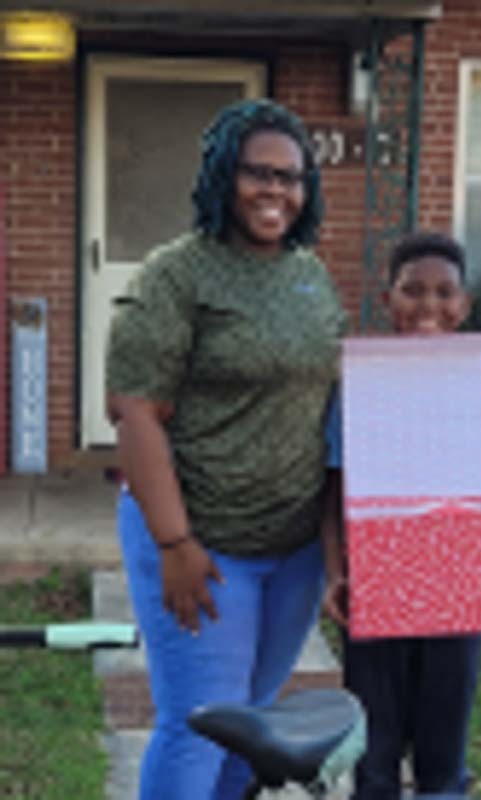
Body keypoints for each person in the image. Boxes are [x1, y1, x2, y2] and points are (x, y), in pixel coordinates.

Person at [105, 98, 346, 800]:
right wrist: (175, 543)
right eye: (257, 173)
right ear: (221, 176)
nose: (276, 190)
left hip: (293, 548)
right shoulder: (177, 274)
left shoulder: (311, 275)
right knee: (202, 723)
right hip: (203, 546)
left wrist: (448, 374)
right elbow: (135, 411)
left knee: (256, 724)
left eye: (292, 177)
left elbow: (339, 390)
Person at [322, 231, 481, 799]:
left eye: (444, 293)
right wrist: (337, 571)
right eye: (412, 291)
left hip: (457, 590)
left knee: (444, 763)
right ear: (387, 300)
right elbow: (334, 496)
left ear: (465, 305)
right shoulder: (357, 389)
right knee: (375, 757)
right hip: (378, 582)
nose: (428, 306)